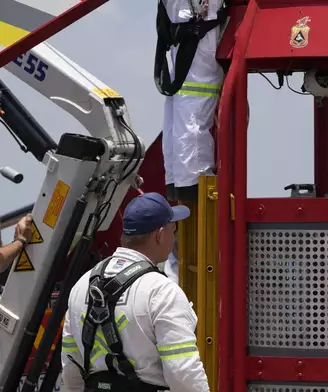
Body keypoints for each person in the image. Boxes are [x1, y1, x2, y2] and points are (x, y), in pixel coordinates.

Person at [60, 192, 209, 392]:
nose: (174, 238)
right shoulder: (161, 291)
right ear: (160, 234)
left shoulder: (83, 285)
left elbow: (71, 366)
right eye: (173, 231)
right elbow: (181, 372)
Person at [158, 0, 226, 202]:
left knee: (180, 113)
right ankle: (196, 185)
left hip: (183, 31)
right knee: (193, 113)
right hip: (199, 30)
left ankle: (179, 181)